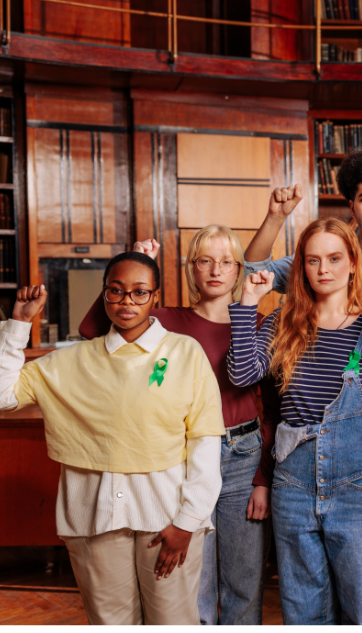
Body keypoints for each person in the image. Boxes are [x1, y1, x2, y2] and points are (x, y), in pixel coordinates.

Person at [244, 145, 362, 625]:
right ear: (351, 206)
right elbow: (251, 276)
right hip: (302, 460)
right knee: (308, 593)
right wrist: (273, 218)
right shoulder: (318, 257)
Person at [0, 253, 224, 625]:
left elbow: (204, 442)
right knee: (110, 624)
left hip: (166, 515)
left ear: (155, 297)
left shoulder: (185, 353)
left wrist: (187, 522)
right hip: (93, 513)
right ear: (104, 295)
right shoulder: (70, 361)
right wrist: (18, 323)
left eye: (139, 293)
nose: (127, 302)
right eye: (116, 291)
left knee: (173, 622)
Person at [78, 226, 274, 625]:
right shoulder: (164, 321)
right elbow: (91, 331)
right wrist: (138, 262)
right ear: (191, 270)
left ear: (239, 270)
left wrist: (262, 478)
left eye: (225, 262)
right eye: (204, 261)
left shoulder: (257, 321)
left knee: (244, 577)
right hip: (182, 458)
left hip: (243, 457)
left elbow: (271, 404)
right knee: (192, 576)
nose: (215, 270)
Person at [228, 217, 362, 625]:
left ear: (352, 263)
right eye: (312, 260)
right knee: (303, 609)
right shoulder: (281, 322)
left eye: (333, 258)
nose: (323, 269)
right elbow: (241, 374)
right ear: (301, 267)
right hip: (293, 485)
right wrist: (246, 304)